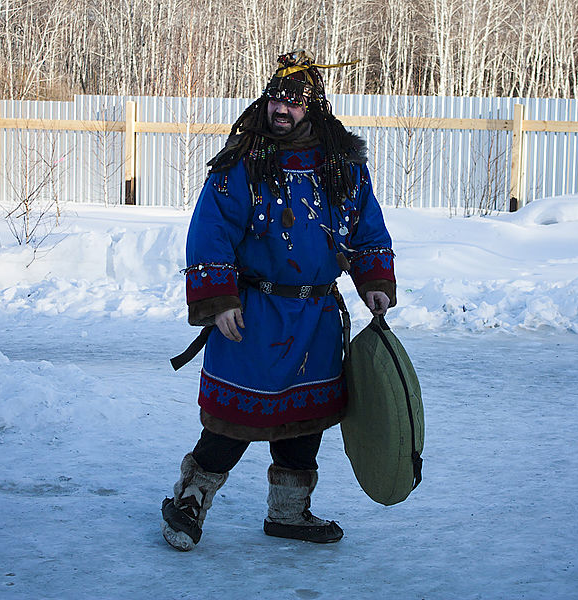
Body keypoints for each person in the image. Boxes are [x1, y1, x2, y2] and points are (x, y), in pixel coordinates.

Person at [161, 50, 397, 551]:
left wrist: (373, 277)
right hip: (254, 315)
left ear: (313, 105)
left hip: (316, 316)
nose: (280, 110)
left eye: (292, 102)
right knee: (234, 421)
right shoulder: (243, 163)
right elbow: (211, 230)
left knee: (303, 420)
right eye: (275, 99)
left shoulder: (342, 166)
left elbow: (366, 227)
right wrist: (219, 299)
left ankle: (290, 512)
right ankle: (190, 499)